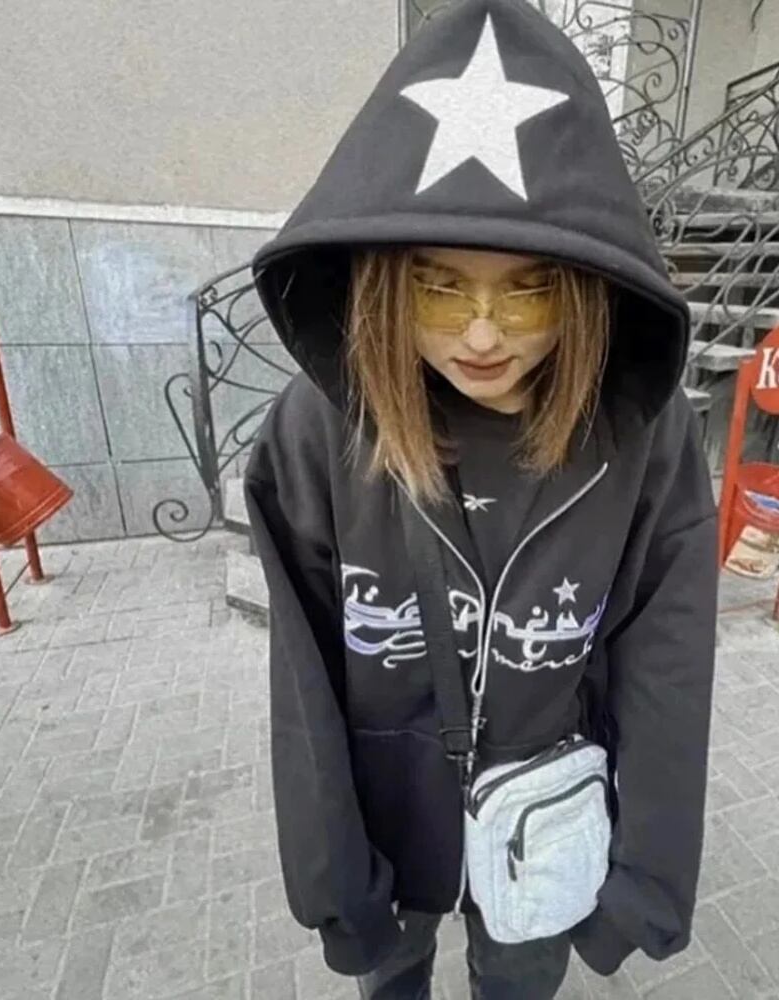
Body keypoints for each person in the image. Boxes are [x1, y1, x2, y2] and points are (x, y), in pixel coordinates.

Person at [243, 1, 717, 997]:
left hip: (546, 826)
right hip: (388, 825)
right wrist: (337, 883)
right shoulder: (317, 430)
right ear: (384, 280)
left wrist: (645, 878)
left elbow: (669, 656)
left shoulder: (642, 435)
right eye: (439, 284)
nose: (484, 334)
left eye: (531, 288)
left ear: (584, 286)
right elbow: (302, 677)